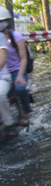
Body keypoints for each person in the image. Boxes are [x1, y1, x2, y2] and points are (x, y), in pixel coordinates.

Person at [1, 7, 31, 126]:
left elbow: (23, 58)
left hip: (17, 69)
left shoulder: (16, 36)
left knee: (20, 88)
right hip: (3, 71)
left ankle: (26, 112)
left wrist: (20, 76)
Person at [0, 7, 14, 137]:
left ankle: (8, 123)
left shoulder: (0, 37)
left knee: (0, 95)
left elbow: (2, 57)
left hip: (2, 77)